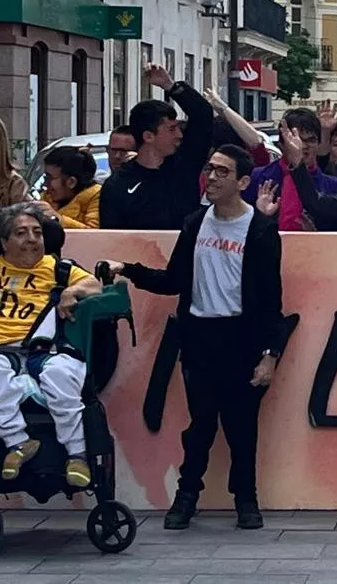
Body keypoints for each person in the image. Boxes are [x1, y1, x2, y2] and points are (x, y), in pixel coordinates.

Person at [109, 145, 283, 530]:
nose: (213, 177)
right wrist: (129, 269)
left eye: (223, 172)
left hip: (241, 337)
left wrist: (270, 353)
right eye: (210, 169)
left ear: (242, 182)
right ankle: (187, 496)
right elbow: (174, 280)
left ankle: (246, 500)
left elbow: (271, 298)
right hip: (199, 334)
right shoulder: (195, 223)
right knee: (201, 422)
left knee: (241, 425)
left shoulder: (260, 230)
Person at [0, 204, 103, 487]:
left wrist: (70, 291)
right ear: (4, 242)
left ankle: (77, 455)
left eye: (37, 233)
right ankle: (18, 443)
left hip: (45, 349)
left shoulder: (60, 269)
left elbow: (95, 287)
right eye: (21, 233)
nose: (32, 238)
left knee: (61, 373)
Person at [99, 65, 214, 230]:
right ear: (148, 136)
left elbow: (203, 114)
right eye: (171, 129)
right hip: (138, 254)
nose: (179, 135)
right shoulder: (117, 184)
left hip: (184, 254)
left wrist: (170, 86)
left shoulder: (185, 164)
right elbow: (111, 237)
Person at [41, 145, 102, 229]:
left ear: (71, 182)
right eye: (45, 177)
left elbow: (93, 234)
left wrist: (57, 219)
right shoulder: (47, 197)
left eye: (49, 178)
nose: (45, 184)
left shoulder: (96, 196)